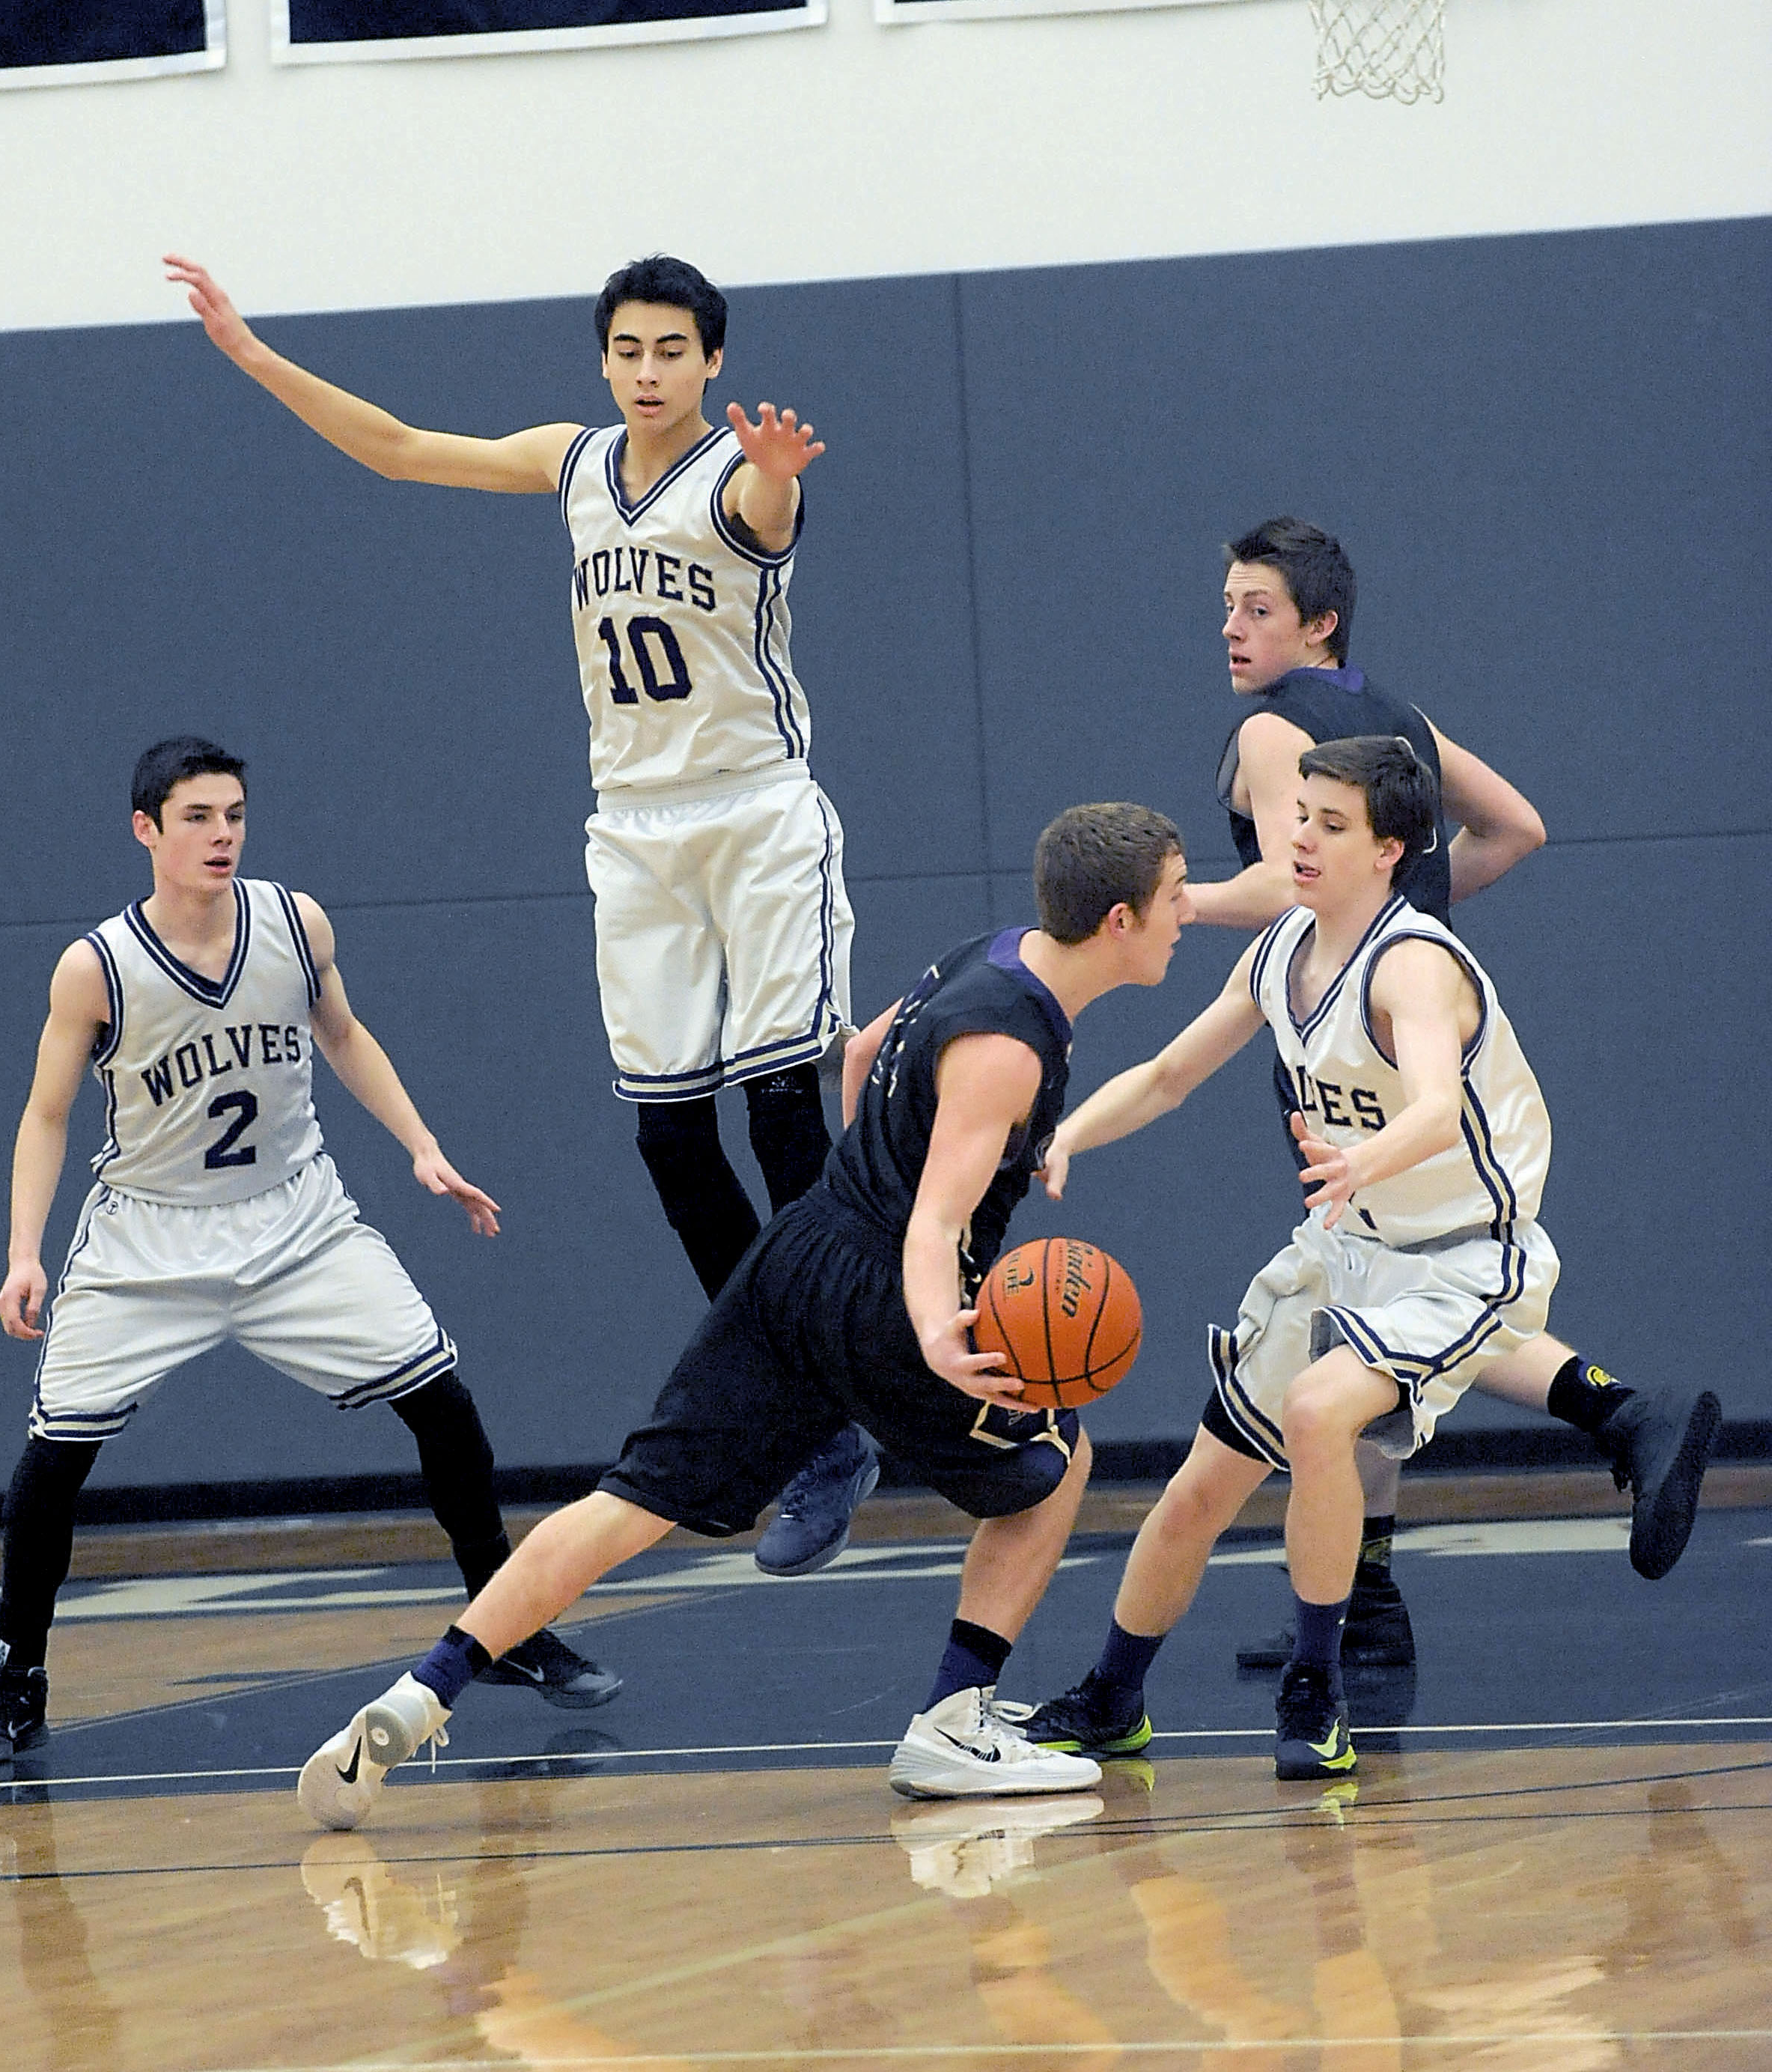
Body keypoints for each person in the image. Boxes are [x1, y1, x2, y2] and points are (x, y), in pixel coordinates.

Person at [166, 251, 872, 1578]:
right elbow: (397, 448)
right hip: (637, 831)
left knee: (784, 1111)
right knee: (671, 1139)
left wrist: (777, 465)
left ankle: (839, 1396)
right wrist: (255, 355)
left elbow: (774, 507)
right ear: (603, 359)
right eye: (629, 348)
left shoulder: (741, 474)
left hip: (757, 813)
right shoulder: (571, 461)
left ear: (712, 360)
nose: (649, 369)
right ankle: (805, 1417)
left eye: (673, 349)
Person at [296, 802, 1195, 1831]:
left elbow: (863, 1054)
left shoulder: (988, 956)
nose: (1188, 913)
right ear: (1119, 921)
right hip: (887, 1294)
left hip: (799, 1253)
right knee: (1056, 1467)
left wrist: (873, 1171)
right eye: (1175, 898)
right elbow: (936, 1219)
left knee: (629, 1503)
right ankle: (953, 1719)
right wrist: (937, 1330)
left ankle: (420, 1694)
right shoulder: (1013, 1050)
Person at [0, 737, 615, 1764]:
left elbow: (343, 1035)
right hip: (149, 1236)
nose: (222, 835)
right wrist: (23, 1250)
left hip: (294, 1214)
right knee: (56, 1455)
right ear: (146, 831)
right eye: (199, 817)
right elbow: (45, 1114)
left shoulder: (294, 924)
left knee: (441, 1397)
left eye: (235, 815)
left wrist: (423, 1147)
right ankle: (13, 1683)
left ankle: (506, 1622)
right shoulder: (97, 966)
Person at [1193, 519, 1717, 1667]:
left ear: (1318, 622)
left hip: (1363, 1042)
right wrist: (1414, 914)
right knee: (1383, 1300)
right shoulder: (1403, 722)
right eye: (1226, 604)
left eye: (1257, 608)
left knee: (1383, 1296)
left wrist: (1169, 900)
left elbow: (1278, 885)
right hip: (1429, 1020)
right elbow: (1518, 827)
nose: (1232, 627)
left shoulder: (1275, 729)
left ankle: (1618, 1414)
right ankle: (1373, 1596)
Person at [1022, 737, 1567, 1780]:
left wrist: (1362, 1160)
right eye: (1299, 815)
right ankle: (1112, 1696)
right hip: (1349, 1248)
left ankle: (1316, 1687)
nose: (1301, 838)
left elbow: (1438, 1108)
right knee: (1197, 1488)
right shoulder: (1280, 951)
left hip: (1457, 1257)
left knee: (1320, 1414)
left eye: (1328, 823)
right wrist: (1068, 1132)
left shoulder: (1412, 963)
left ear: (1389, 849)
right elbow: (1172, 1072)